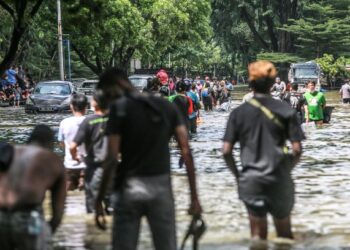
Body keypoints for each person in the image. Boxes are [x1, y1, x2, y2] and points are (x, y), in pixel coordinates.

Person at [94, 68, 202, 250]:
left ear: (116, 86)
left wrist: (100, 199)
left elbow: (111, 159)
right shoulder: (167, 107)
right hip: (161, 188)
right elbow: (186, 153)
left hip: (128, 189)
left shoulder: (119, 109)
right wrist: (194, 198)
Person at [223, 61, 304, 240]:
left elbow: (226, 151)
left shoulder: (238, 113)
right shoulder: (285, 110)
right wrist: (285, 170)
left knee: (258, 237)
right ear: (273, 83)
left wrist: (239, 176)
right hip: (279, 177)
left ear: (250, 83)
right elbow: (297, 150)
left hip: (251, 180)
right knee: (284, 236)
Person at [0, 125, 66, 250]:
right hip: (29, 219)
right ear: (50, 143)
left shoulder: (8, 151)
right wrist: (46, 234)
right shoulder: (53, 160)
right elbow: (58, 213)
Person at [70, 90, 111, 213]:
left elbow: (72, 146)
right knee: (112, 208)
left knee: (92, 211)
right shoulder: (113, 121)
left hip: (94, 169)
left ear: (95, 103)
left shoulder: (88, 121)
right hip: (112, 169)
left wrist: (75, 157)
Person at [58, 94, 88, 191]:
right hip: (87, 165)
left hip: (69, 164)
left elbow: (61, 143)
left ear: (71, 106)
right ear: (86, 107)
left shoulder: (64, 123)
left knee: (67, 196)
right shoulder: (90, 121)